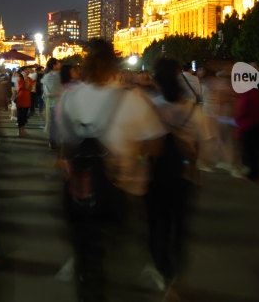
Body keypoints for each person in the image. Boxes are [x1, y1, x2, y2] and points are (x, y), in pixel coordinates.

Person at [57, 39, 166, 300]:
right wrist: (131, 149)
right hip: (123, 189)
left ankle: (87, 282)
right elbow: (155, 146)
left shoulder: (70, 97)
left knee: (87, 255)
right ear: (114, 64)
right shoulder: (133, 98)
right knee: (118, 255)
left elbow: (64, 147)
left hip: (80, 192)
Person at [147, 57, 210, 289]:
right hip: (184, 176)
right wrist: (195, 171)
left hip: (156, 176)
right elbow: (200, 146)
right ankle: (176, 278)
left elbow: (148, 147)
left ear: (157, 81)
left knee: (157, 226)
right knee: (179, 228)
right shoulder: (193, 108)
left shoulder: (151, 107)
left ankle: (163, 269)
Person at [235, 63, 259, 181]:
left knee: (249, 151)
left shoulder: (246, 93)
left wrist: (237, 119)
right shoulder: (255, 91)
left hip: (248, 125)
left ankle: (252, 174)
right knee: (254, 152)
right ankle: (256, 173)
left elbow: (242, 110)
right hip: (257, 123)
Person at [41, 58, 63, 148]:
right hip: (57, 102)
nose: (60, 65)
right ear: (54, 66)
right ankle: (55, 142)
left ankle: (52, 142)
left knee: (53, 123)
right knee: (57, 123)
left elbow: (45, 91)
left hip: (51, 103)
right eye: (58, 63)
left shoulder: (47, 76)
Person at [16, 69, 32, 136]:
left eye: (28, 70)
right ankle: (20, 131)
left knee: (24, 115)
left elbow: (29, 88)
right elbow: (26, 87)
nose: (28, 71)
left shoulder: (29, 79)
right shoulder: (20, 79)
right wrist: (25, 78)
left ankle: (23, 130)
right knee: (20, 116)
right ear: (23, 71)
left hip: (27, 98)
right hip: (21, 99)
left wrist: (26, 79)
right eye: (26, 70)